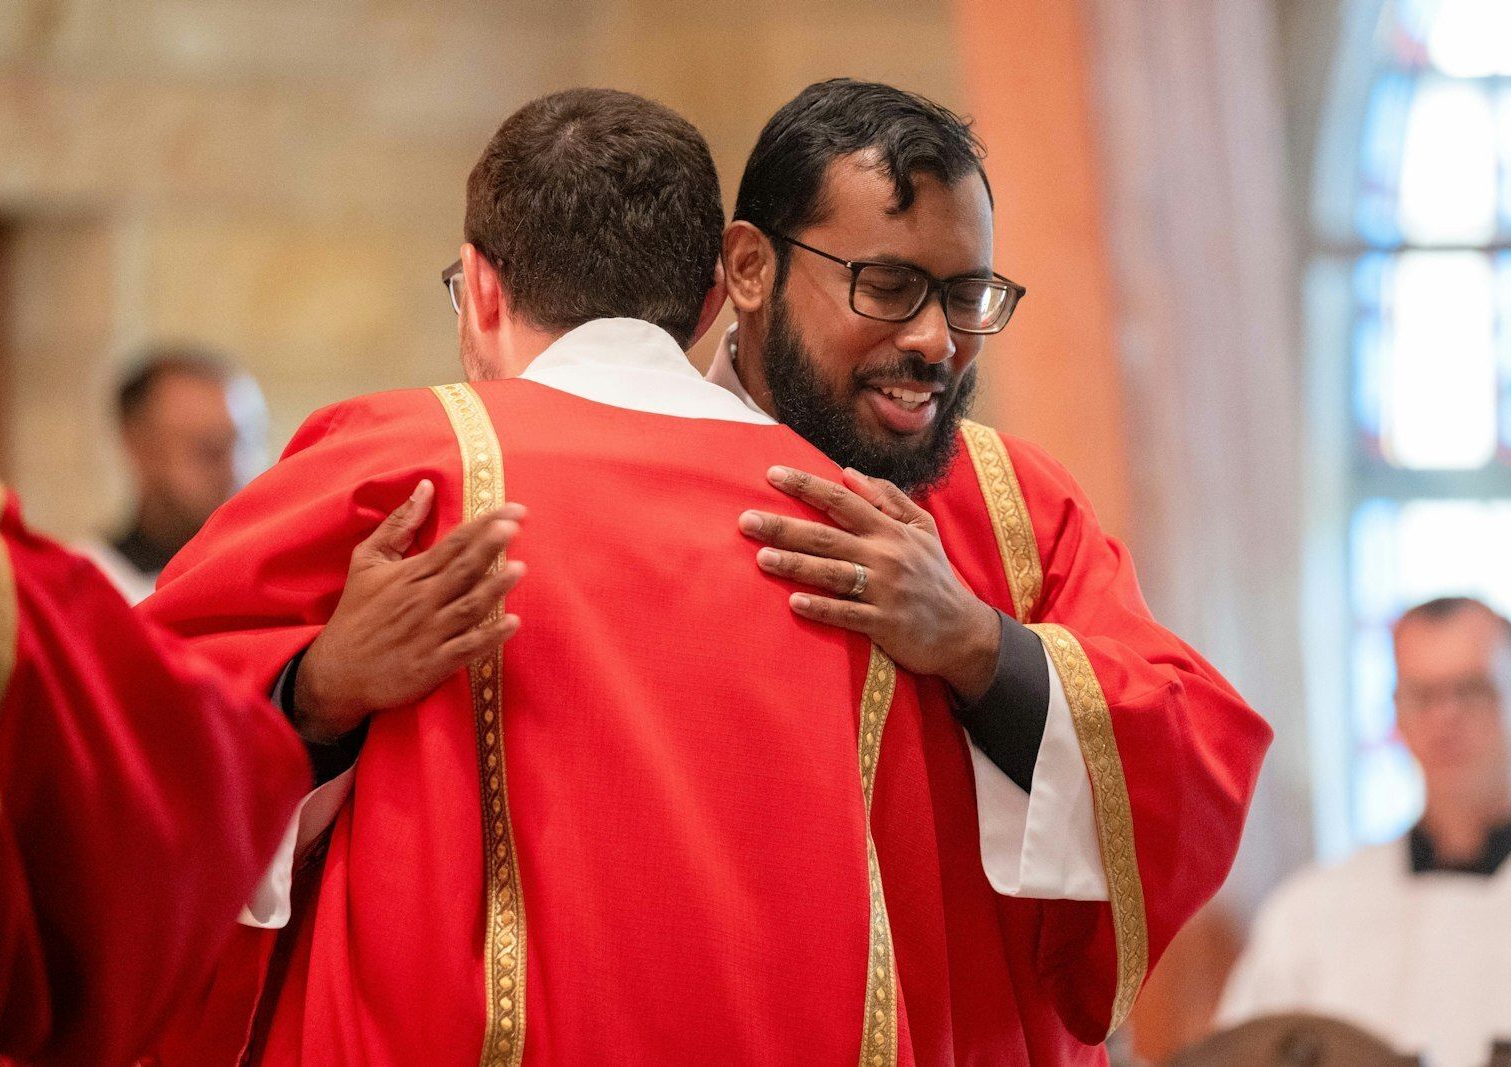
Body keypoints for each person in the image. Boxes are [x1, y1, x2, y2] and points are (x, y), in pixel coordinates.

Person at [271, 80, 1273, 1063]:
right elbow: (177, 776)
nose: (934, 342)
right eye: (886, 287)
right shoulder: (504, 476)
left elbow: (1189, 758)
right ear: (745, 269)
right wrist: (316, 690)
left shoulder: (1008, 506)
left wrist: (978, 645)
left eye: (967, 296)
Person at [145, 88, 1005, 1066]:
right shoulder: (859, 526)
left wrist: (310, 692)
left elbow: (125, 774)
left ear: (480, 287)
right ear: (717, 295)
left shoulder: (396, 471)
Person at [0, 444, 307, 1065]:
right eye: (205, 449)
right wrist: (312, 694)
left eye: (238, 442)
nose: (229, 468)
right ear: (141, 452)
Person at [1218, 596, 1511, 1067]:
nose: (1446, 716)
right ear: (1397, 712)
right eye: (1423, 695)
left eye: (1472, 690)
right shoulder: (1310, 912)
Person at [78, 348, 266, 603]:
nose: (237, 470)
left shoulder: (277, 579)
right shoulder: (86, 588)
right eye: (210, 450)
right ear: (141, 447)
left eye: (249, 444)